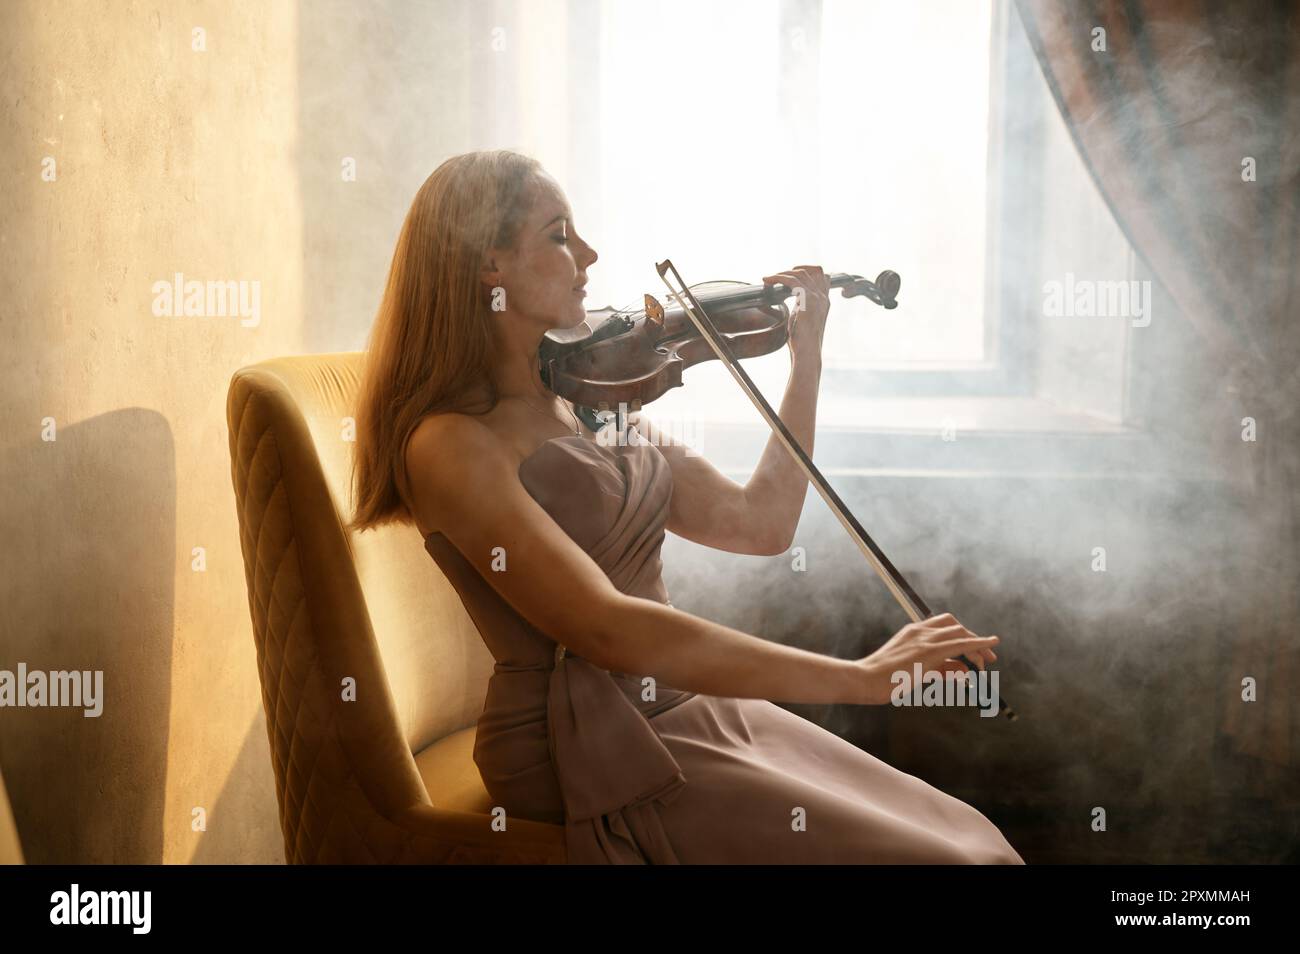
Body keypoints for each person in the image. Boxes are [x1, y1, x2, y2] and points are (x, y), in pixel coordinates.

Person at [349, 149, 1025, 864]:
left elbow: (759, 523)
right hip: (582, 740)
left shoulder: (588, 396)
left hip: (681, 703)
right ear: (491, 266)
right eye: (558, 235)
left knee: (974, 841)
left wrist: (807, 362)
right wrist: (861, 677)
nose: (590, 253)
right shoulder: (450, 443)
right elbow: (606, 629)